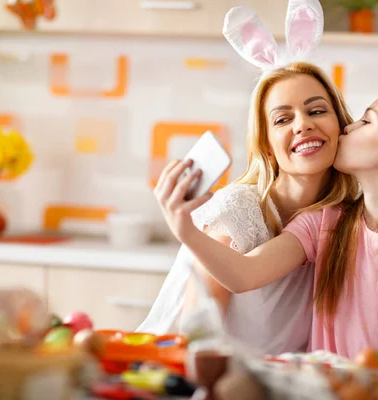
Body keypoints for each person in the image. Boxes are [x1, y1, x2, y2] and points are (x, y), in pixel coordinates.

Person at [152, 39, 378, 368]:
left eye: (366, 121)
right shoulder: (324, 223)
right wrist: (186, 231)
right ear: (267, 145)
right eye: (283, 119)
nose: (348, 127)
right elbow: (241, 276)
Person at [137, 0, 357, 355]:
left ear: (340, 126)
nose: (303, 124)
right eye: (283, 120)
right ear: (267, 146)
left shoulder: (342, 218)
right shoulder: (239, 210)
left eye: (317, 110)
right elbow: (198, 337)